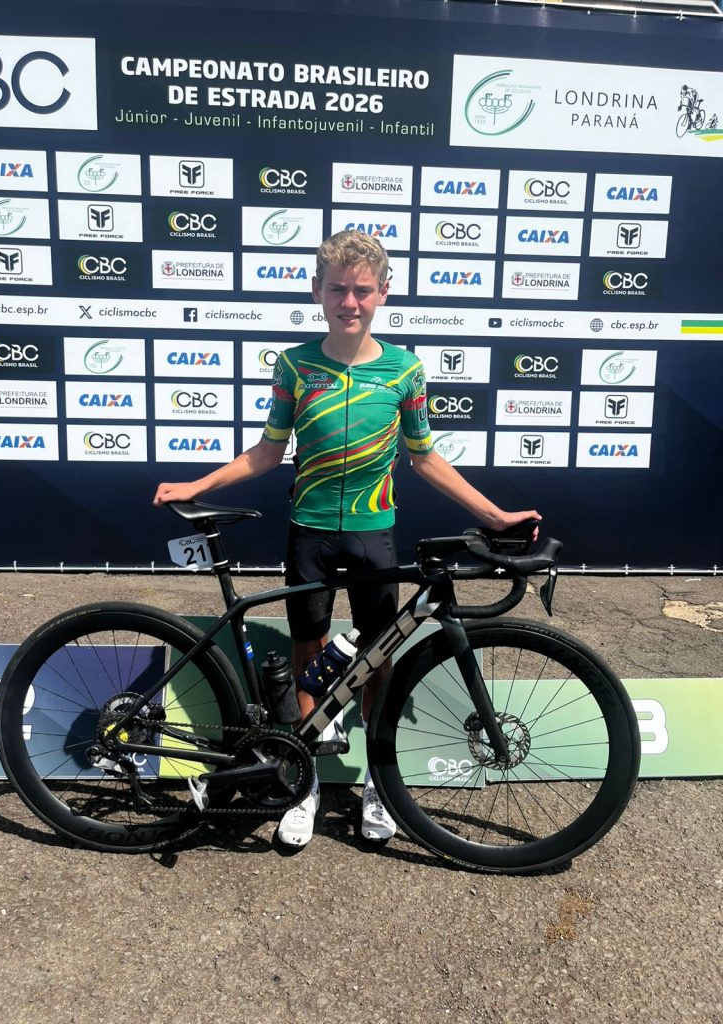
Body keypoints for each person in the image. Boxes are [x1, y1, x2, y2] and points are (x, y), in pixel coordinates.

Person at [154, 230, 540, 849]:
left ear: (383, 293)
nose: (349, 302)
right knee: (309, 653)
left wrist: (493, 516)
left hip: (373, 535)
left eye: (362, 290)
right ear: (318, 291)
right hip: (309, 533)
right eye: (337, 289)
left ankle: (379, 784)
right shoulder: (295, 365)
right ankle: (304, 781)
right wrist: (198, 483)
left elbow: (425, 458)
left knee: (376, 658)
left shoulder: (405, 370)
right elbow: (267, 451)